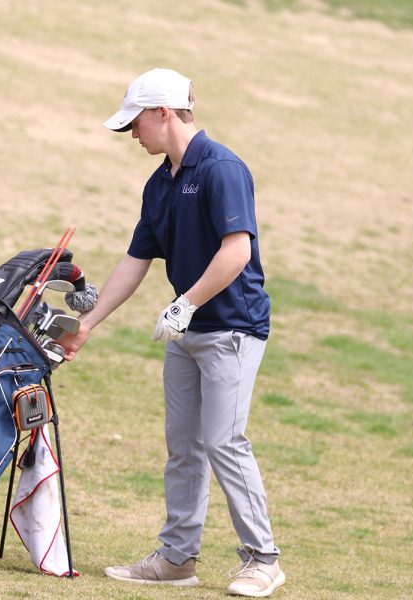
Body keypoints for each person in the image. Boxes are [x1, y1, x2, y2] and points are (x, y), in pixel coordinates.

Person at [57, 68, 284, 597]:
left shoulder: (223, 168)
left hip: (232, 327)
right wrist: (86, 325)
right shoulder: (159, 183)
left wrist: (185, 303)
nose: (132, 135)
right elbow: (135, 263)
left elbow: (238, 251)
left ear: (163, 112)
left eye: (136, 123)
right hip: (188, 332)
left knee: (224, 441)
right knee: (184, 446)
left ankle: (263, 559)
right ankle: (178, 558)